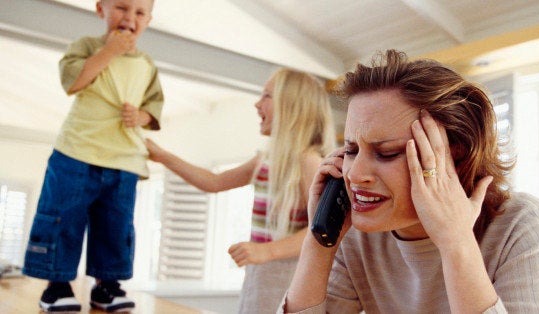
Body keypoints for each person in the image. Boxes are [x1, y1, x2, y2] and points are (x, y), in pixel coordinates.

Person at [282, 50, 539, 313]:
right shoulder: (356, 234)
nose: (354, 174)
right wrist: (318, 243)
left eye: (386, 153)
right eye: (351, 150)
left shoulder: (521, 225)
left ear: (452, 156)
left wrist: (456, 242)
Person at [146, 67, 336, 313]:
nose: (257, 104)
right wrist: (162, 156)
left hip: (289, 274)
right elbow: (214, 182)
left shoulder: (309, 161)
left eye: (267, 96)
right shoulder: (265, 160)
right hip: (259, 272)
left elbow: (320, 232)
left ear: (292, 105)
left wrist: (266, 251)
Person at [22, 0, 163, 312]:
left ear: (149, 20)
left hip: (123, 160)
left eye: (139, 13)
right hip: (76, 151)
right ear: (101, 9)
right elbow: (73, 81)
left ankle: (107, 286)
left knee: (116, 224)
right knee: (63, 217)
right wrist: (108, 52)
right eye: (122, 8)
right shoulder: (84, 46)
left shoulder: (147, 65)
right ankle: (57, 286)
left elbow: (154, 104)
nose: (130, 18)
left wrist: (141, 116)